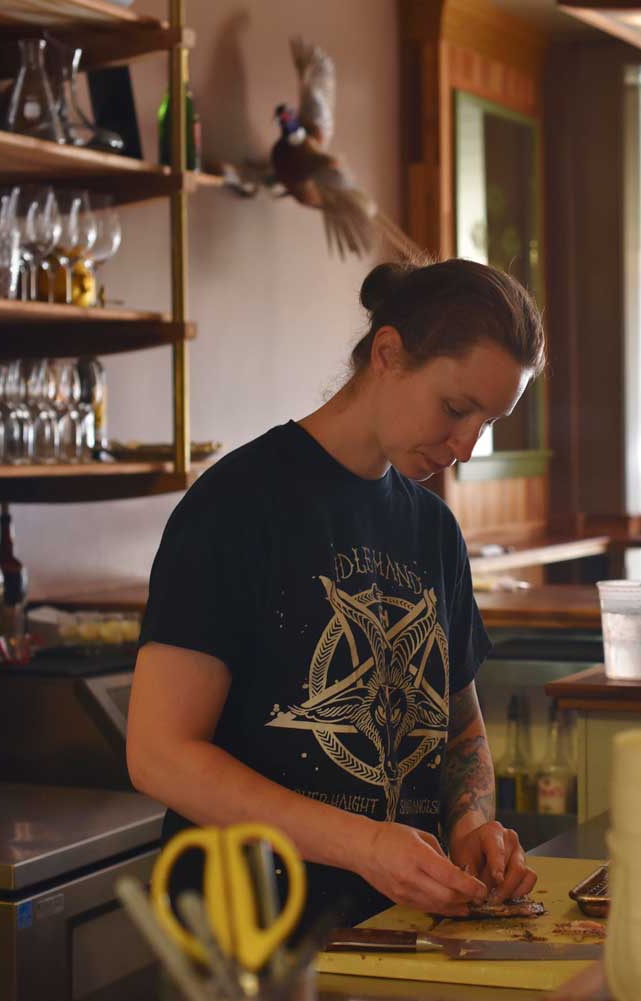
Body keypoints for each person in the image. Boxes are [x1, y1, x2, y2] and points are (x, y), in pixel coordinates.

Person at [127, 258, 544, 925]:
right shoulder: (237, 505)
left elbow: (458, 723)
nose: (465, 446)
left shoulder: (433, 528)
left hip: (396, 929)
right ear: (388, 353)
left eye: (488, 424)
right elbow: (158, 754)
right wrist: (362, 844)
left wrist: (472, 826)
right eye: (457, 408)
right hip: (250, 934)